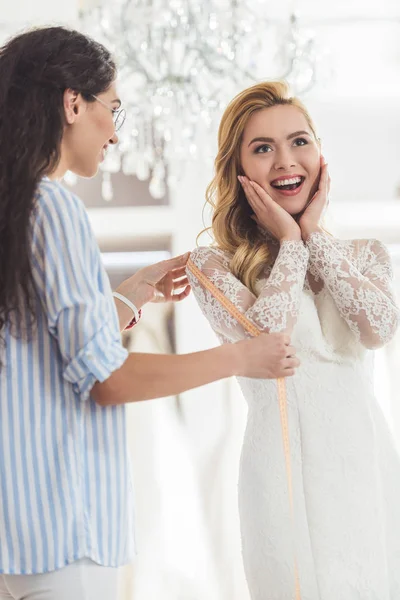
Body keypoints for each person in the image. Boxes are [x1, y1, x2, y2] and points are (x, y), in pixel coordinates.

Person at [0, 29, 300, 600]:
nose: (115, 132)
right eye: (112, 110)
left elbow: (38, 352)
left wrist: (127, 296)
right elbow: (105, 381)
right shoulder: (54, 208)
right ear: (72, 104)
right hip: (68, 525)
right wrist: (241, 356)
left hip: (14, 532)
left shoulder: (14, 210)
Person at [186, 80, 400, 599]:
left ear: (320, 154)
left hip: (367, 468)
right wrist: (288, 242)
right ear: (238, 171)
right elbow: (268, 345)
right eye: (263, 148)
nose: (286, 160)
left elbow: (378, 330)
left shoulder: (365, 254)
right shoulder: (212, 265)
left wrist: (314, 236)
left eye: (299, 141)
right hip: (282, 472)